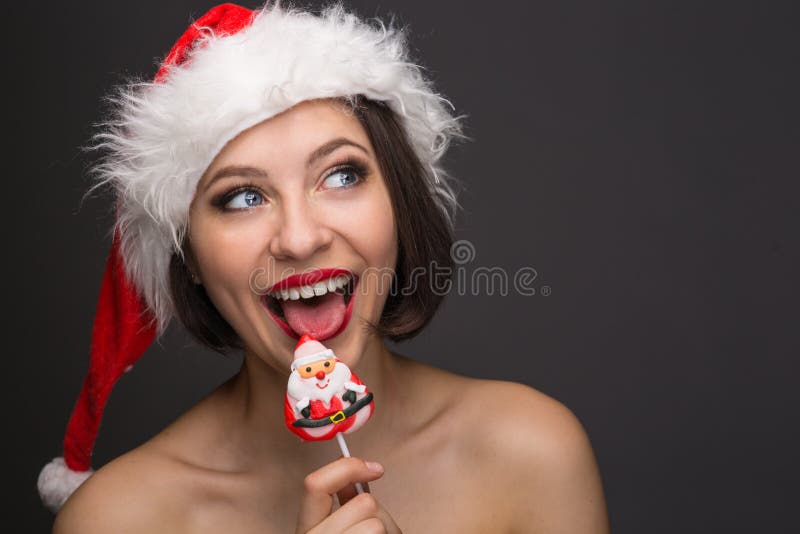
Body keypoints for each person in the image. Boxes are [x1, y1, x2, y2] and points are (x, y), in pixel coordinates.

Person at [41, 3, 610, 532]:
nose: (301, 238)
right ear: (186, 254)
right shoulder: (117, 519)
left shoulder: (532, 451)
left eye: (341, 175)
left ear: (400, 200)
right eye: (242, 196)